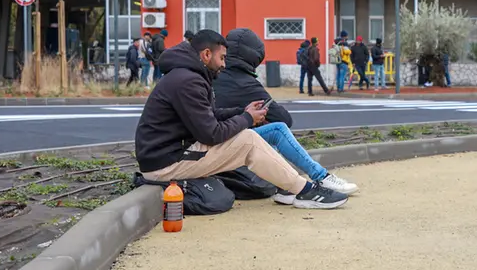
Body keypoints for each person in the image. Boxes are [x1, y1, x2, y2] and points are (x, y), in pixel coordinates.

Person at [134, 30, 349, 209]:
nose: (224, 64)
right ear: (207, 54)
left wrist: (241, 111)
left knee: (252, 136)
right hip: (166, 166)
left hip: (174, 155)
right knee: (247, 140)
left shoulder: (188, 76)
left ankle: (297, 187)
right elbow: (211, 133)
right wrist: (247, 118)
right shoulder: (187, 81)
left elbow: (210, 116)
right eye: (222, 58)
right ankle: (305, 191)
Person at [212, 28, 358, 197]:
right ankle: (320, 177)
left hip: (210, 141)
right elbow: (284, 118)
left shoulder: (214, 74)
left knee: (266, 132)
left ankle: (285, 187)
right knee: (277, 130)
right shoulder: (245, 83)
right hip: (223, 142)